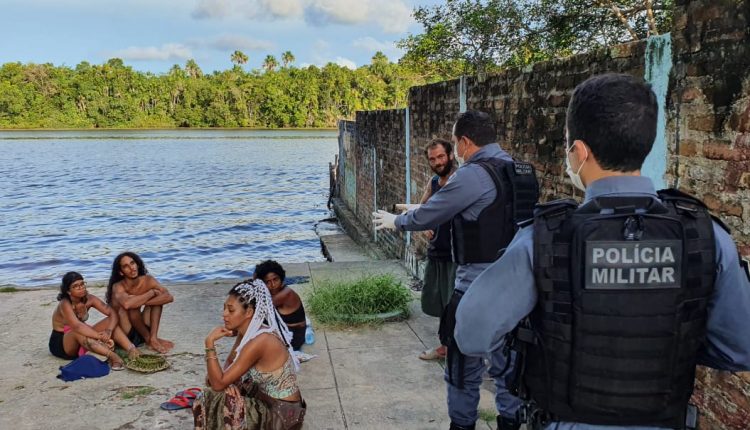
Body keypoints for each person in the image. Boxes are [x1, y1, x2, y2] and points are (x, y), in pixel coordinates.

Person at [455, 73, 750, 429]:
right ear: (645, 143)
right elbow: (739, 348)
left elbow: (471, 334)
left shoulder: (545, 239)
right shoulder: (706, 235)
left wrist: (526, 357)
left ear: (580, 151)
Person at [373, 110, 539, 430]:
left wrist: (398, 221)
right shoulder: (522, 172)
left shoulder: (473, 174)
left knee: (462, 367)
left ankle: (462, 425)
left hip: (476, 286)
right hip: (519, 288)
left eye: (455, 144)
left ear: (464, 142)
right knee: (510, 366)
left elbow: (432, 214)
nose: (455, 152)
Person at [193, 279, 305, 430]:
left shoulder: (261, 341)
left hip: (282, 415)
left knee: (212, 395)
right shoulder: (248, 331)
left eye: (231, 310)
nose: (224, 314)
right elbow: (228, 366)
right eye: (224, 308)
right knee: (216, 382)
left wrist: (209, 344)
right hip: (268, 400)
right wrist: (228, 384)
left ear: (249, 312)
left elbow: (219, 383)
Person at [412, 139, 458, 360]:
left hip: (457, 252)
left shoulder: (461, 180)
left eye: (441, 156)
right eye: (433, 159)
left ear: (450, 155)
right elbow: (423, 209)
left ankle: (459, 349)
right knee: (438, 301)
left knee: (455, 303)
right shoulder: (434, 182)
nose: (438, 162)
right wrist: (427, 225)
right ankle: (445, 346)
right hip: (437, 250)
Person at [50, 271, 140, 369]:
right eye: (76, 286)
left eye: (82, 284)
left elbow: (112, 313)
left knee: (109, 321)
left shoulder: (90, 299)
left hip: (83, 335)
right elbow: (77, 326)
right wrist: (100, 337)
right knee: (77, 331)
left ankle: (131, 349)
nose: (81, 287)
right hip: (63, 343)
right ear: (68, 291)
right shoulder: (65, 304)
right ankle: (113, 357)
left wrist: (108, 331)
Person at [106, 251, 174, 354]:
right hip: (128, 334)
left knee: (157, 299)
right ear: (121, 272)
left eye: (132, 263)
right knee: (133, 305)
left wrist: (145, 302)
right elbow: (127, 304)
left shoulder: (148, 280)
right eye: (126, 266)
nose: (131, 268)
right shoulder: (118, 286)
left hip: (142, 327)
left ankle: (153, 338)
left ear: (137, 264)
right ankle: (148, 339)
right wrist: (150, 293)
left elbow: (168, 297)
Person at [254, 260, 307, 351]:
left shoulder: (286, 293)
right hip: (285, 330)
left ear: (281, 278)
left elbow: (258, 308)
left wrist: (255, 280)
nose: (273, 285)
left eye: (275, 279)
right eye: (268, 282)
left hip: (294, 337)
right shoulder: (271, 293)